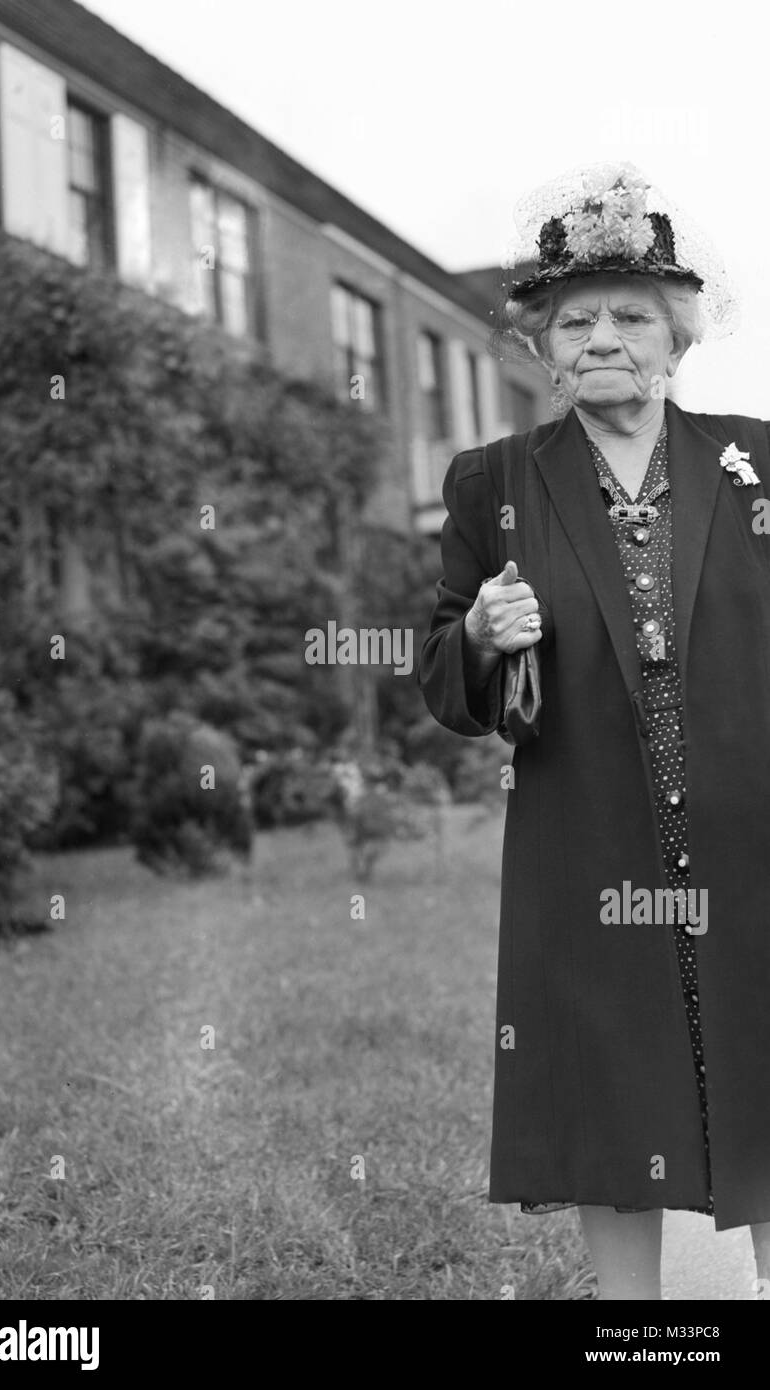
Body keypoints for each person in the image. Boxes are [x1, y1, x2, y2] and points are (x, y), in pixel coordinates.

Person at [417, 162, 770, 1300]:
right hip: (590, 841)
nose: (604, 337)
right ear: (543, 348)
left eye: (631, 316)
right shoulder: (492, 482)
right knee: (615, 1099)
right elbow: (440, 678)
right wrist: (478, 631)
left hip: (752, 834)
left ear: (677, 338)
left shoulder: (760, 458)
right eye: (577, 321)